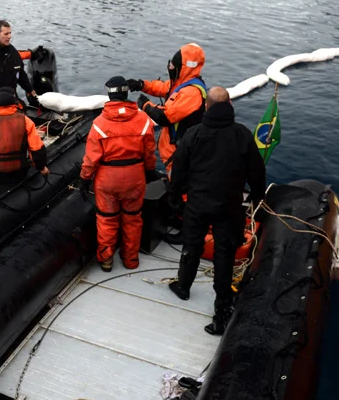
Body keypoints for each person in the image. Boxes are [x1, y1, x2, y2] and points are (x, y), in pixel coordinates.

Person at [166, 86, 266, 335]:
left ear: (207, 106)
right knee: (224, 254)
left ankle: (183, 286)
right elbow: (257, 171)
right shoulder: (242, 134)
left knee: (192, 245)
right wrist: (257, 196)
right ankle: (221, 312)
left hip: (198, 204)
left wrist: (175, 197)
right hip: (229, 206)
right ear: (229, 105)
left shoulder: (193, 134)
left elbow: (178, 170)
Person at [78, 76, 157, 272]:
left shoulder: (99, 124)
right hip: (135, 176)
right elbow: (149, 152)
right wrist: (149, 172)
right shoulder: (143, 120)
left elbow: (91, 159)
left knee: (106, 219)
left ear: (109, 94)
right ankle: (131, 260)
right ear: (126, 93)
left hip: (108, 178)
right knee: (133, 218)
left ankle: (106, 260)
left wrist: (84, 179)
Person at [127, 43, 207, 179]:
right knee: (175, 180)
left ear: (182, 66)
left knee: (181, 184)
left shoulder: (191, 93)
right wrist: (142, 85)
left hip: (180, 150)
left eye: (173, 65)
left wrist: (146, 105)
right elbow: (164, 88)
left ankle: (181, 198)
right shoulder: (182, 82)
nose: (170, 67)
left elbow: (164, 117)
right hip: (173, 148)